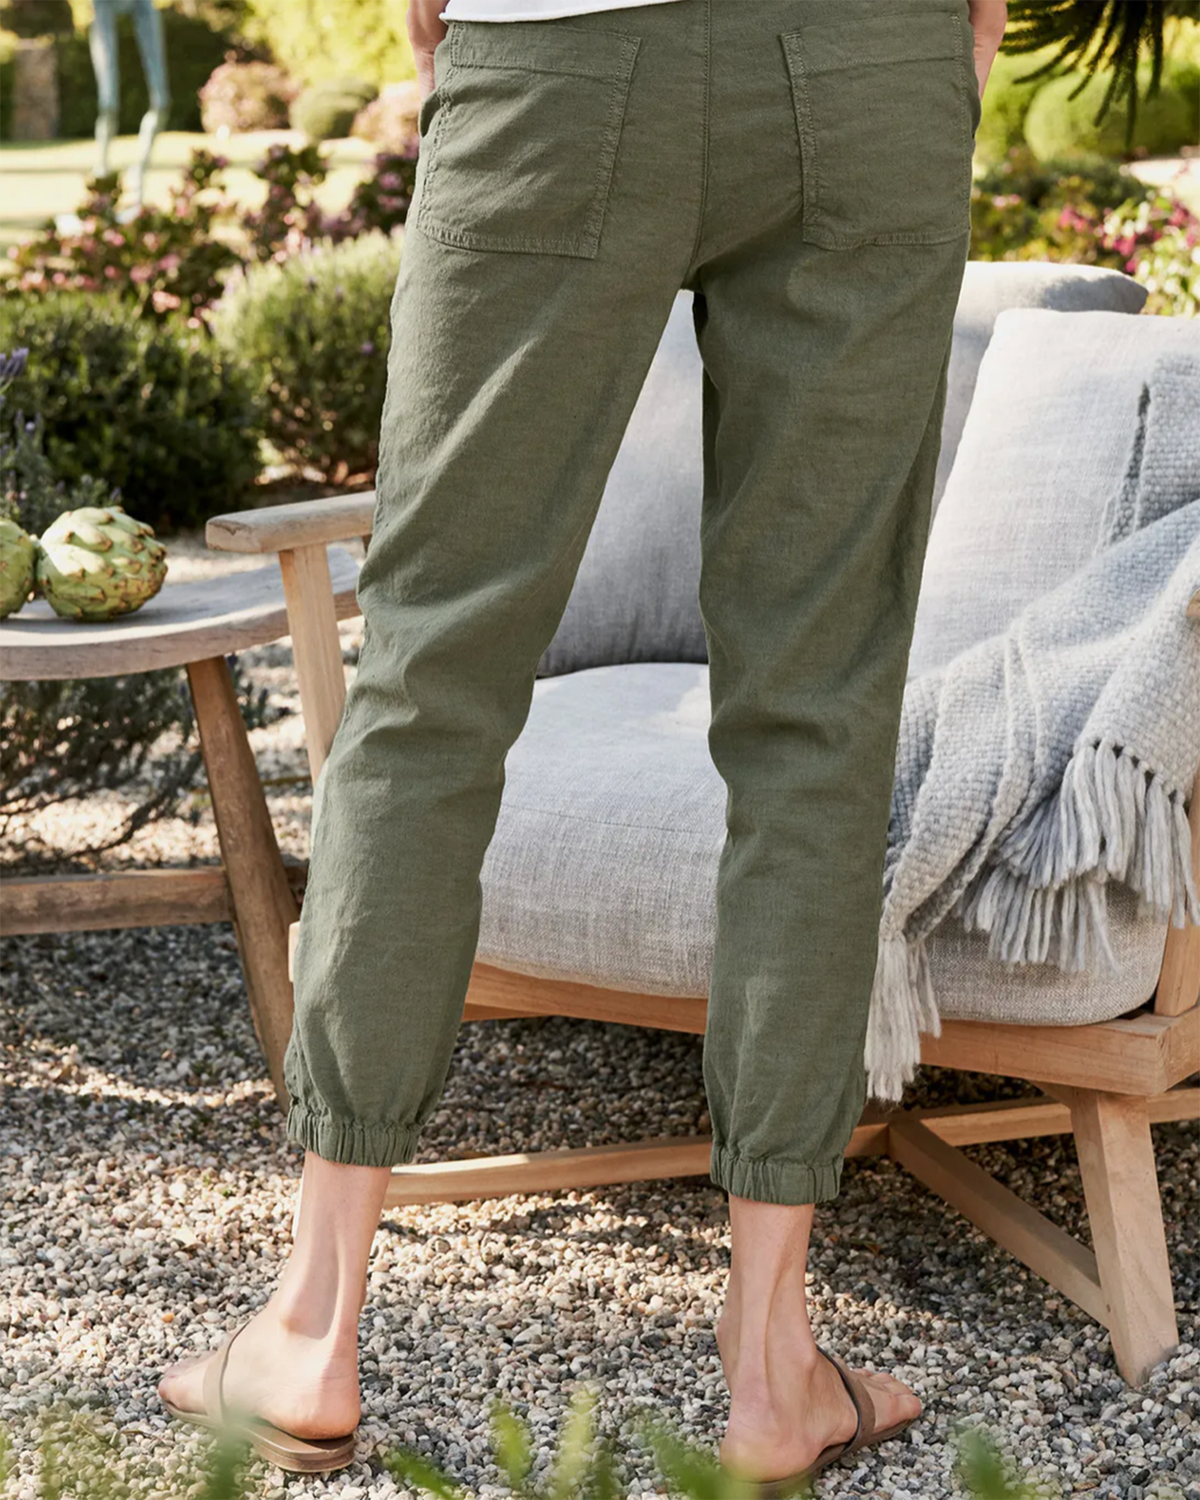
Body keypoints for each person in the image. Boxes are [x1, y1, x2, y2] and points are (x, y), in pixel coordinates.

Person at [159, 0, 1008, 1484]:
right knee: (816, 706)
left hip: (562, 49)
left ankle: (310, 1326)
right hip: (872, 58)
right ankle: (772, 1369)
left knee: (433, 678)